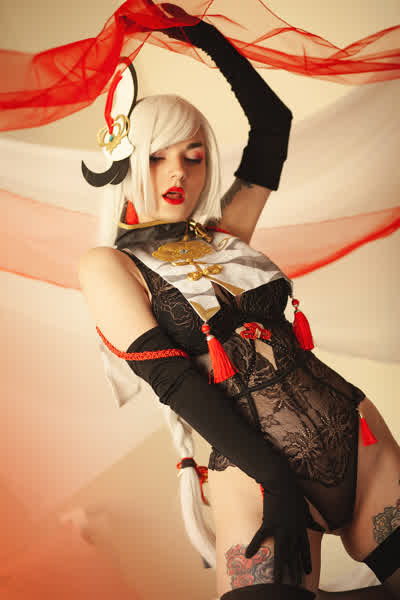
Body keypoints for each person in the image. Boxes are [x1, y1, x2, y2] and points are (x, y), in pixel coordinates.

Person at [78, 4, 400, 598]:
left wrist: (202, 36)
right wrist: (274, 477)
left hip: (361, 443)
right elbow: (174, 382)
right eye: (158, 156)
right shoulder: (108, 266)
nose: (178, 173)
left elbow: (273, 122)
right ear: (127, 160)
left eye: (194, 155)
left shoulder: (227, 234)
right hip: (254, 477)